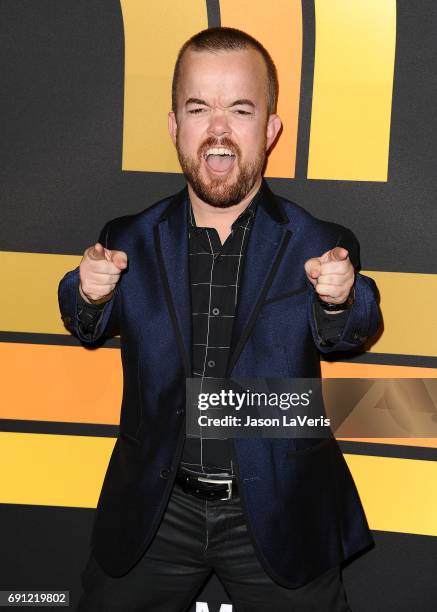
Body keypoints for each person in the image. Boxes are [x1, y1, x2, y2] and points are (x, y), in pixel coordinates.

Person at [59, 27, 381, 612]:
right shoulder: (127, 239)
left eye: (240, 108)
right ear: (173, 124)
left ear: (271, 129)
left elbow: (354, 323)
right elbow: (84, 318)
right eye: (198, 106)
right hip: (157, 513)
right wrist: (87, 291)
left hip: (277, 511)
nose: (218, 128)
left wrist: (339, 298)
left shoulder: (319, 241)